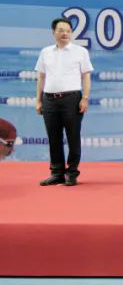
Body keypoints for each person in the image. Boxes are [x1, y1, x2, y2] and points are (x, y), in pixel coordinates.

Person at [35, 17, 93, 186]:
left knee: (73, 137)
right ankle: (57, 173)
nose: (65, 33)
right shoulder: (45, 52)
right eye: (61, 30)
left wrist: (85, 98)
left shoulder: (80, 52)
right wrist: (38, 100)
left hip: (71, 99)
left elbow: (86, 76)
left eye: (68, 31)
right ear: (53, 32)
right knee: (53, 137)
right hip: (49, 99)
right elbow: (41, 77)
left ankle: (72, 173)